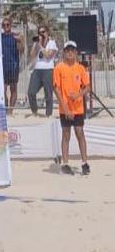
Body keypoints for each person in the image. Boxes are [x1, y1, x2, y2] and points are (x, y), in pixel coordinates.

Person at [53, 41, 91, 175]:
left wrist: (78, 95)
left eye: (72, 50)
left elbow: (87, 87)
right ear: (64, 52)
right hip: (65, 109)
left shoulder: (80, 68)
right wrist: (66, 108)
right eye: (67, 50)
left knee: (80, 132)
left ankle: (84, 163)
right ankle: (65, 164)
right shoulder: (59, 68)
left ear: (76, 52)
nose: (70, 52)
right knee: (66, 134)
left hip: (78, 108)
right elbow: (56, 90)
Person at [27, 25, 58, 117]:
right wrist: (36, 44)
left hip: (48, 69)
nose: (41, 34)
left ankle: (48, 114)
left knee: (48, 93)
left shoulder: (52, 43)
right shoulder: (38, 43)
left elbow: (48, 55)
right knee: (31, 92)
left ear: (47, 33)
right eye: (39, 32)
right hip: (37, 69)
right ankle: (34, 111)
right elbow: (32, 55)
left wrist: (41, 46)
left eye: (43, 32)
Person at [1, 18, 22, 115]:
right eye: (4, 25)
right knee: (3, 89)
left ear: (11, 25)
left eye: (7, 25)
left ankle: (10, 111)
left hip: (13, 66)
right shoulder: (0, 38)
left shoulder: (15, 37)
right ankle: (5, 109)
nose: (6, 27)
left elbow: (21, 50)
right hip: (3, 66)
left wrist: (19, 41)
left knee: (13, 89)